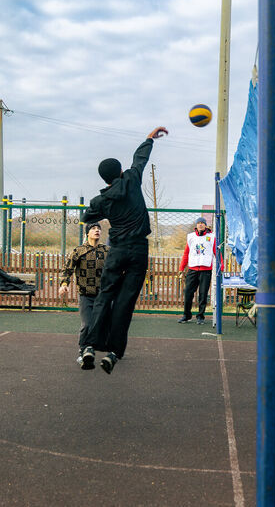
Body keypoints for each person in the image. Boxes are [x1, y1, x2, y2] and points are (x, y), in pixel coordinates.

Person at [80, 126, 169, 374]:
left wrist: (99, 207)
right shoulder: (131, 179)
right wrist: (149, 139)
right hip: (138, 250)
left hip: (117, 250)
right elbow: (139, 160)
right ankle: (113, 353)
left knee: (104, 296)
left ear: (104, 179)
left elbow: (87, 216)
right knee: (125, 301)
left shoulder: (102, 201)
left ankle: (88, 346)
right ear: (119, 171)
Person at [58, 222, 108, 368]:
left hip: (102, 296)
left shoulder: (107, 251)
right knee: (86, 324)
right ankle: (82, 352)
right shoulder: (78, 251)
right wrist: (64, 285)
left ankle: (112, 350)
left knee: (103, 325)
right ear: (87, 233)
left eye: (98, 228)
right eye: (93, 228)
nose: (97, 230)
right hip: (86, 295)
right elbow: (67, 270)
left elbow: (116, 269)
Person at [177, 217, 217, 325]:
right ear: (196, 225)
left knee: (203, 294)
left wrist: (221, 266)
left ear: (205, 225)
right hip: (193, 269)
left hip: (206, 270)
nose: (200, 225)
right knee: (188, 292)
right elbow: (186, 253)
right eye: (199, 223)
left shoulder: (211, 237)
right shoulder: (191, 237)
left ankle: (200, 316)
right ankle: (186, 315)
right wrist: (181, 268)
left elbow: (217, 252)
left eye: (202, 223)